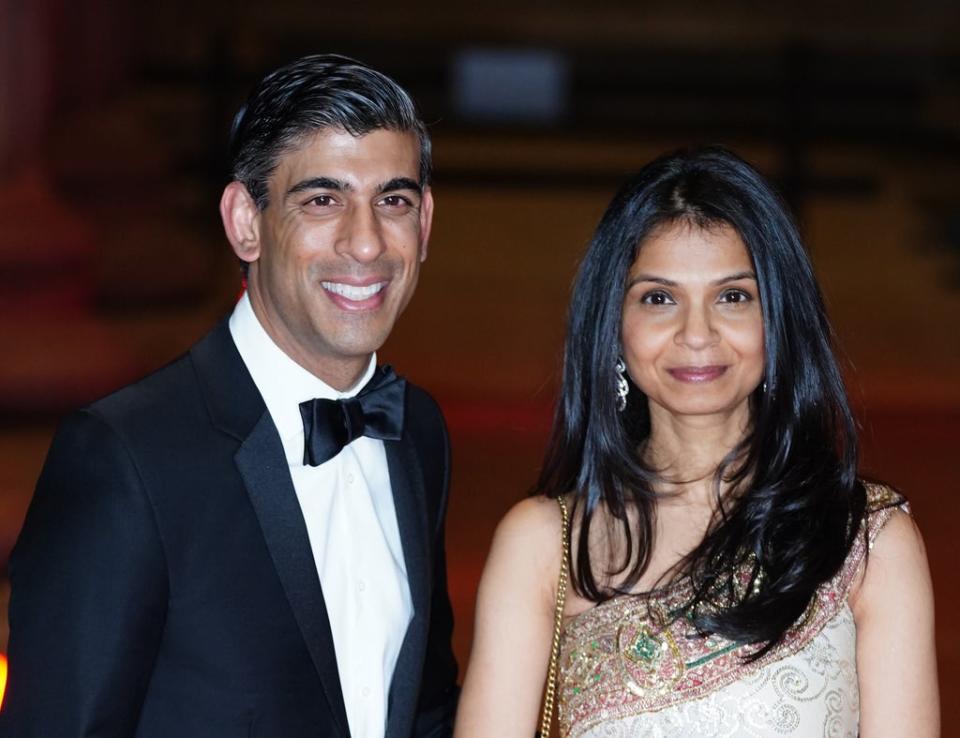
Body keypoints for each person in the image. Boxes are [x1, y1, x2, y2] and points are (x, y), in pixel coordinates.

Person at [1, 54, 458, 738]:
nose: (365, 243)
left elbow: (423, 709)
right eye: (322, 200)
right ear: (246, 221)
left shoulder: (416, 429)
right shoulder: (126, 456)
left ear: (423, 225)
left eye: (391, 201)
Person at [455, 147, 939, 737]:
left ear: (779, 320)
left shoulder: (866, 542)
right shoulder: (545, 545)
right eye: (659, 298)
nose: (697, 334)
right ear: (613, 326)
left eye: (733, 296)